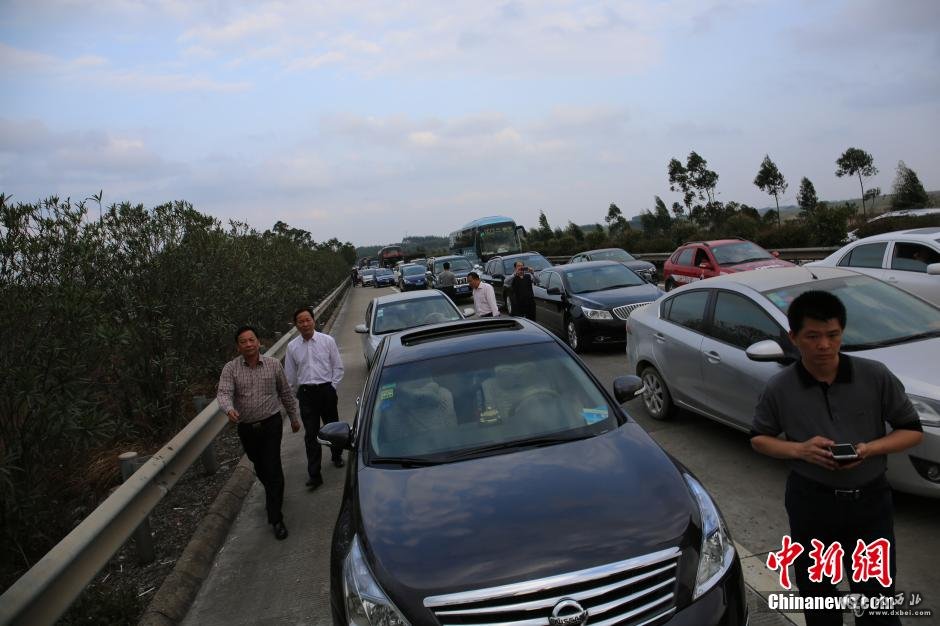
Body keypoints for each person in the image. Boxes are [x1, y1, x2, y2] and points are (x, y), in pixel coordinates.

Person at [750, 291, 922, 626]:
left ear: (843, 333)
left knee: (877, 598)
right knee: (819, 597)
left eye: (833, 336)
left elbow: (911, 431)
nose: (824, 346)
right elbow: (759, 439)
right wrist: (801, 450)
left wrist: (869, 449)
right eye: (812, 337)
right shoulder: (779, 388)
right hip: (811, 503)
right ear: (794, 337)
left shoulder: (875, 375)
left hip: (870, 502)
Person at [217, 325, 301, 541]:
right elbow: (224, 393)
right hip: (246, 428)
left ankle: (276, 518)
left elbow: (285, 392)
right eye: (243, 341)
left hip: (271, 424)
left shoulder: (273, 365)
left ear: (258, 342)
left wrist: (293, 417)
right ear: (238, 346)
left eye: (251, 340)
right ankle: (274, 493)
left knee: (272, 466)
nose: (248, 344)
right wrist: (229, 409)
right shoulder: (231, 369)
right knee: (260, 466)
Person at [285, 307, 345, 491]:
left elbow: (338, 367)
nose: (305, 324)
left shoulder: (327, 341)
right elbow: (290, 376)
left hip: (326, 390)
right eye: (300, 321)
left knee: (332, 426)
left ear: (314, 320)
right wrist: (298, 394)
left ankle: (336, 456)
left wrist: (332, 387)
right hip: (306, 395)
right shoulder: (292, 347)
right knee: (311, 435)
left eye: (307, 320)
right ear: (296, 325)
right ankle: (314, 474)